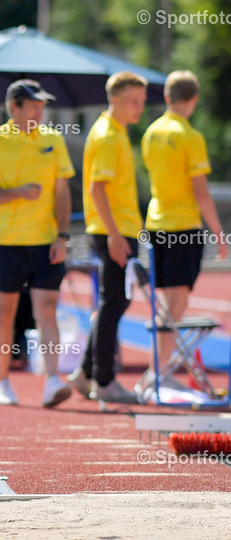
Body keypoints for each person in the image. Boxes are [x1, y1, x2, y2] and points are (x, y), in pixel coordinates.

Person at [0, 80, 75, 407]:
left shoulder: (53, 139)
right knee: (5, 313)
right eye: (34, 106)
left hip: (46, 241)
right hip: (5, 242)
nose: (40, 112)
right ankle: (2, 383)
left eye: (42, 106)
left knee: (47, 310)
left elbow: (62, 192)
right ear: (14, 107)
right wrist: (19, 192)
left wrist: (62, 235)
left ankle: (52, 381)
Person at [141, 70, 228, 393]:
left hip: (155, 224)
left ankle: (160, 368)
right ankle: (158, 371)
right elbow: (200, 192)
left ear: (167, 97)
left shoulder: (150, 132)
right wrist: (219, 235)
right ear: (193, 100)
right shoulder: (190, 136)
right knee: (176, 305)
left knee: (166, 304)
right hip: (182, 226)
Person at [66, 72, 146, 404]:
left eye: (142, 101)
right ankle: (104, 380)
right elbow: (95, 189)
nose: (139, 107)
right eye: (133, 101)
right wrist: (114, 235)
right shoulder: (107, 136)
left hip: (119, 227)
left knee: (113, 302)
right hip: (112, 229)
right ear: (114, 98)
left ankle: (86, 373)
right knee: (114, 303)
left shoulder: (117, 132)